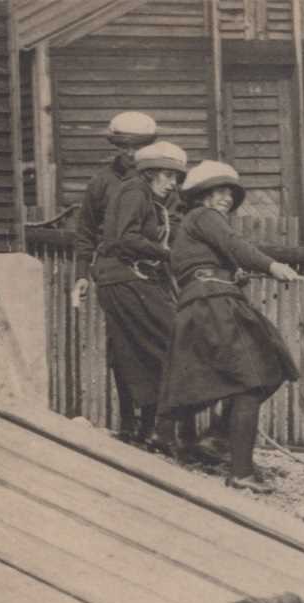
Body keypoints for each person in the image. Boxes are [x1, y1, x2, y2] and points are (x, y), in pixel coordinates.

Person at [158, 160, 302, 492]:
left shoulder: (191, 226)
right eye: (216, 191)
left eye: (228, 192)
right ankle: (240, 470)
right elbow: (235, 246)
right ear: (200, 197)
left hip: (207, 301)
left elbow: (197, 265)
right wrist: (273, 265)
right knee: (254, 380)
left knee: (262, 369)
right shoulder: (204, 217)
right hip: (214, 304)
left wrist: (231, 273)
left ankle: (213, 439)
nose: (224, 197)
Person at [94, 140, 189, 451]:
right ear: (151, 173)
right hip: (123, 278)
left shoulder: (148, 197)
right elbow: (125, 237)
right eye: (170, 177)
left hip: (123, 278)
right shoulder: (136, 191)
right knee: (174, 340)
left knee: (138, 353)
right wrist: (164, 254)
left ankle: (145, 431)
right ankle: (158, 430)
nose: (173, 185)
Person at [73, 111, 157, 440]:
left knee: (154, 346)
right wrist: (81, 273)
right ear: (115, 146)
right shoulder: (102, 183)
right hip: (116, 276)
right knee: (121, 349)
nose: (132, 154)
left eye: (139, 147)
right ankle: (128, 423)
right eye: (125, 147)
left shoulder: (159, 181)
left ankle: (153, 426)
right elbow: (85, 232)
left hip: (153, 276)